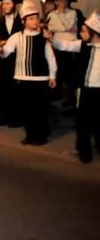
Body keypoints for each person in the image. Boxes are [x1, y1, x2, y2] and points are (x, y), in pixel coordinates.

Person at [0, 0, 57, 146]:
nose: (35, 21)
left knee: (41, 110)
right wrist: (0, 50)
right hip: (22, 78)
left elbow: (50, 58)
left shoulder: (43, 37)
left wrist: (52, 76)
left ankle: (41, 136)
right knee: (26, 110)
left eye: (37, 18)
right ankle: (30, 135)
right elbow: (5, 53)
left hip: (41, 79)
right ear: (24, 21)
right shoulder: (17, 37)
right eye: (31, 18)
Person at [49, 11, 100, 163]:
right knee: (82, 123)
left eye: (84, 31)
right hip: (83, 91)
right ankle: (84, 152)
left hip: (99, 92)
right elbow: (64, 45)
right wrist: (51, 38)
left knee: (98, 124)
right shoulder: (82, 45)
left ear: (95, 33)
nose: (80, 33)